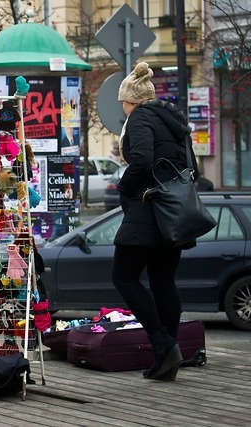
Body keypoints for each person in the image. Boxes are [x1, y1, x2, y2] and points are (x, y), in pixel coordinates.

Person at [112, 62, 199, 381]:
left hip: (148, 209)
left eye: (123, 102)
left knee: (124, 277)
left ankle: (163, 344)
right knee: (164, 281)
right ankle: (167, 355)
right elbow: (193, 167)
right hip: (173, 213)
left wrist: (124, 187)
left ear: (131, 99)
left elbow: (142, 159)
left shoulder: (140, 118)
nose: (122, 108)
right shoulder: (175, 122)